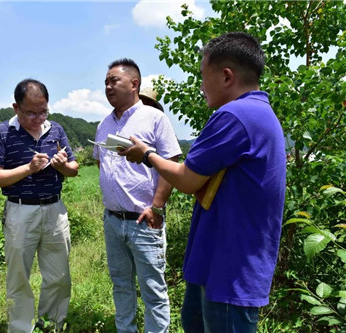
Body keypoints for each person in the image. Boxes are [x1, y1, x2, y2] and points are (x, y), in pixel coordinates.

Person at [120, 32, 286, 332]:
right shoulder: (259, 112)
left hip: (230, 270)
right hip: (222, 262)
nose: (200, 86)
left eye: (203, 76)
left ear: (226, 76)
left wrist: (146, 154)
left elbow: (187, 180)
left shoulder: (235, 115)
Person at [0, 79, 79, 333]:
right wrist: (29, 168)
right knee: (19, 277)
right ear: (16, 107)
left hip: (55, 210)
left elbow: (74, 168)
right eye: (31, 112)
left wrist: (62, 166)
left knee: (59, 275)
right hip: (20, 211)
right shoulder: (1, 133)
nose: (38, 118)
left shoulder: (55, 129)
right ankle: (21, 328)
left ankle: (51, 325)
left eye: (43, 111)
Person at [93, 58, 182, 333]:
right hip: (112, 220)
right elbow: (100, 162)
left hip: (144, 221)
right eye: (106, 82)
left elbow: (172, 164)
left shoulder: (155, 119)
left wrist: (156, 206)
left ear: (134, 83)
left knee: (153, 289)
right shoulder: (104, 124)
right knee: (121, 285)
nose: (108, 86)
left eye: (113, 81)